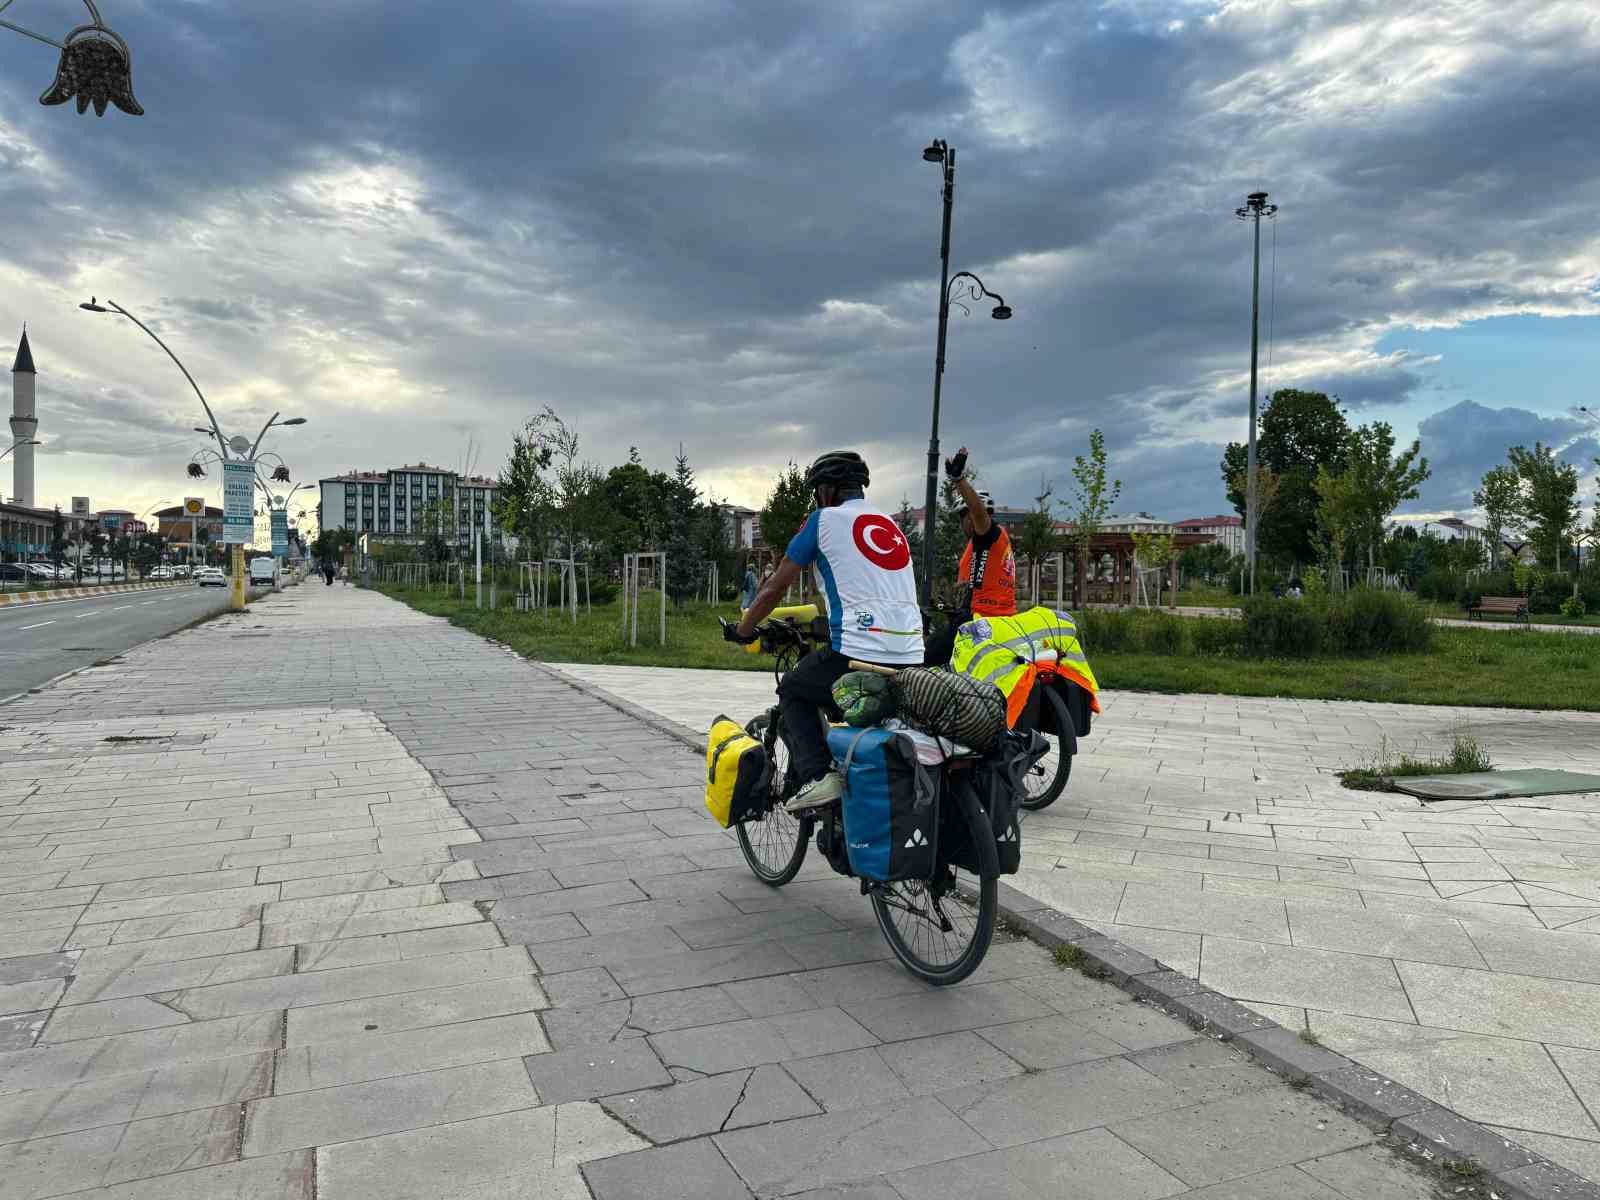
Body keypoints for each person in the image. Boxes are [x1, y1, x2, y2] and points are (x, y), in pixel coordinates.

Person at [725, 450, 923, 813]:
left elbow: (773, 588)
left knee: (794, 689)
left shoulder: (823, 520)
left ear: (828, 491)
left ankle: (818, 776)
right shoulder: (891, 525)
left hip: (858, 654)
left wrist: (743, 629)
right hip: (914, 656)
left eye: (817, 491)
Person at [923, 447, 1016, 667]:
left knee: (921, 661)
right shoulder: (978, 548)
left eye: (966, 517)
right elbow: (968, 596)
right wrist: (938, 608)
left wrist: (958, 480)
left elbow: (979, 514)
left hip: (982, 623)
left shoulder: (990, 534)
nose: (966, 524)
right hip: (985, 619)